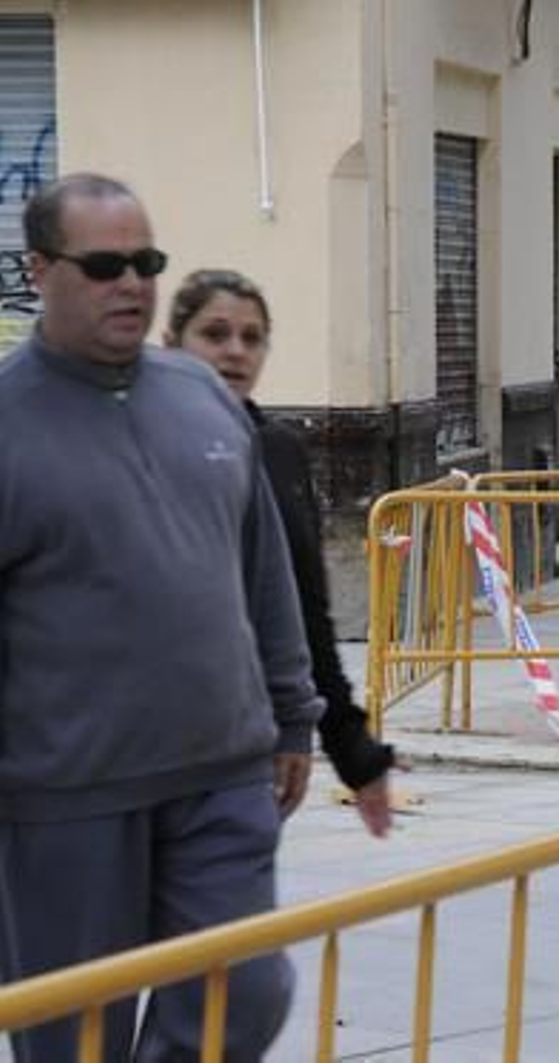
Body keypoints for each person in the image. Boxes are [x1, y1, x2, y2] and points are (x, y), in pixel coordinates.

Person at [0, 173, 321, 1060]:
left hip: (222, 775)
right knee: (72, 1037)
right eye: (105, 266)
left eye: (146, 263)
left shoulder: (203, 398)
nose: (132, 285)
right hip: (67, 798)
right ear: (40, 270)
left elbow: (262, 571)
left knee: (244, 994)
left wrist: (292, 713)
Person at [165, 268, 397, 838]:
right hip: (140, 748)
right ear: (172, 344)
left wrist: (352, 749)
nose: (235, 351)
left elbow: (306, 610)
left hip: (245, 741)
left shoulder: (277, 452)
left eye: (252, 338)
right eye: (214, 334)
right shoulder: (139, 447)